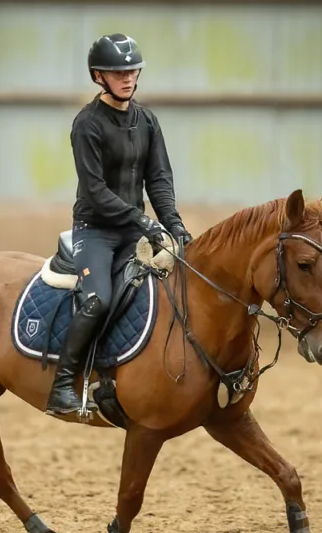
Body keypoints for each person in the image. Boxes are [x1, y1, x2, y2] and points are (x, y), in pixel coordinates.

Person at [45, 33, 193, 416]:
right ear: (99, 76)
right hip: (95, 230)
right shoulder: (87, 125)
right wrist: (144, 221)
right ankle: (63, 384)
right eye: (118, 72)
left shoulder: (147, 120)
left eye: (132, 71)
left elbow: (159, 179)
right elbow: (94, 191)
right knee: (100, 299)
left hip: (134, 229)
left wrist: (172, 223)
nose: (127, 78)